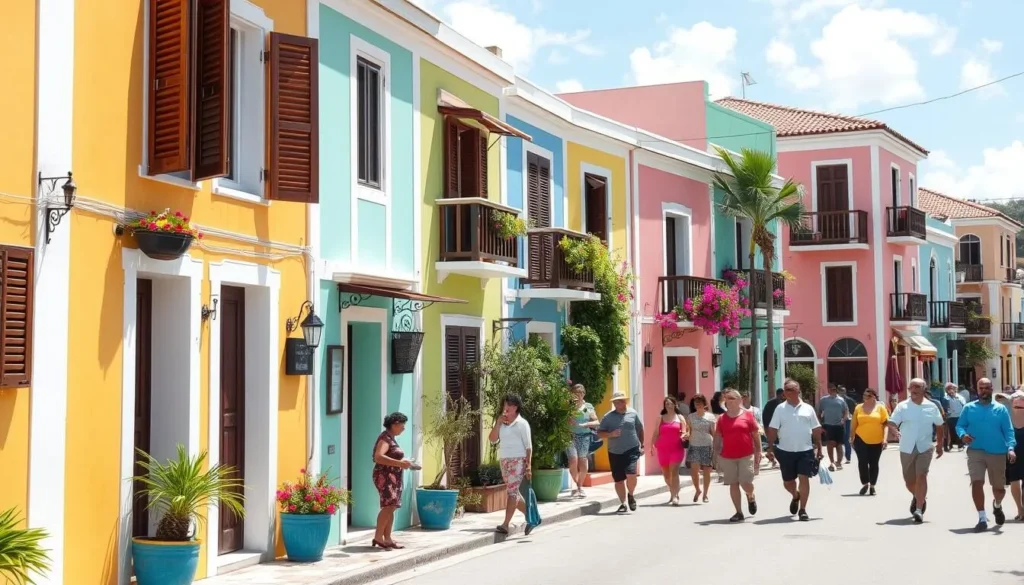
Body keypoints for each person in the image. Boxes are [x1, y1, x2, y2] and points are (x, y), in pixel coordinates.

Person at [955, 377, 1017, 531]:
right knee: (977, 482)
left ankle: (997, 505)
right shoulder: (969, 408)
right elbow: (960, 426)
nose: (984, 391)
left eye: (987, 388)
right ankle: (982, 517)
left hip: (997, 452)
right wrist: (963, 435)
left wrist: (1010, 448)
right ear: (977, 390)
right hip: (975, 450)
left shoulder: (1001, 409)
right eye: (981, 388)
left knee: (999, 490)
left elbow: (1008, 430)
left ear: (991, 389)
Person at [887, 378, 945, 524]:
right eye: (911, 387)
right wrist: (894, 431)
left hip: (925, 447)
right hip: (906, 447)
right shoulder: (902, 406)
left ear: (924, 389)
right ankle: (919, 496)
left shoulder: (932, 406)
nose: (913, 389)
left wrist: (940, 444)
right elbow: (892, 422)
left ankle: (919, 509)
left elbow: (939, 425)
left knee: (922, 475)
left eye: (917, 387)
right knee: (909, 481)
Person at [766, 378, 823, 521]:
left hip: (805, 450)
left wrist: (819, 447)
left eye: (790, 389)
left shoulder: (808, 408)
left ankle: (803, 510)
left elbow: (816, 429)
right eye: (785, 390)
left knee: (804, 478)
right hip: (785, 451)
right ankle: (795, 495)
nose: (787, 392)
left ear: (798, 391)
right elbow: (773, 429)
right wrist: (770, 448)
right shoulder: (780, 409)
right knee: (788, 482)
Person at [489, 395, 538, 535]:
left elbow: (528, 447)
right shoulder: (502, 423)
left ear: (516, 407)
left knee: (512, 493)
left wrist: (528, 466)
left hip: (518, 461)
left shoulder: (522, 424)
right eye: (505, 405)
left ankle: (505, 524)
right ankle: (532, 517)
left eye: (509, 405)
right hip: (504, 461)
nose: (506, 408)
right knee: (514, 493)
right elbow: (492, 439)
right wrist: (498, 423)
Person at [715, 389, 761, 522]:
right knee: (733, 483)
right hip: (728, 456)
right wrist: (715, 454)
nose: (728, 401)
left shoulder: (748, 416)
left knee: (746, 482)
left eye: (731, 398)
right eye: (726, 398)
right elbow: (718, 437)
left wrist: (758, 451)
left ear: (739, 400)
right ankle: (738, 512)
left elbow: (755, 434)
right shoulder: (722, 418)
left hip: (746, 455)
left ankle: (750, 495)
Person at [372, 412, 415, 550]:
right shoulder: (385, 439)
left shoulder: (391, 438)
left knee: (391, 506)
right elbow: (378, 457)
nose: (403, 428)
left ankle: (388, 538)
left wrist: (404, 463)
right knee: (388, 506)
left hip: (392, 476)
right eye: (402, 425)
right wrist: (400, 463)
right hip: (385, 476)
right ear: (394, 424)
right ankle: (378, 537)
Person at [597, 391, 645, 514]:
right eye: (615, 402)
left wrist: (643, 445)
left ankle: (631, 494)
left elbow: (640, 429)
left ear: (625, 401)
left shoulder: (633, 413)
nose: (617, 403)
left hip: (632, 449)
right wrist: (610, 434)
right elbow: (599, 433)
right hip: (615, 451)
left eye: (620, 401)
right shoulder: (608, 417)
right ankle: (623, 503)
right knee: (618, 479)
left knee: (631, 474)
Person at [850, 388, 888, 496]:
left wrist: (885, 439)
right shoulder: (858, 407)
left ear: (873, 397)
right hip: (860, 438)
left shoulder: (880, 408)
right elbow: (853, 424)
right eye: (864, 395)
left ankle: (872, 485)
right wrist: (851, 438)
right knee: (862, 462)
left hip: (877, 440)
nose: (865, 397)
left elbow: (885, 424)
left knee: (874, 463)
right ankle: (865, 483)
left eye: (868, 396)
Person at [651, 395, 688, 505]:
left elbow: (684, 431)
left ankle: (675, 496)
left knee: (674, 471)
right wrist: (651, 446)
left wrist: (683, 435)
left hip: (676, 448)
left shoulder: (680, 418)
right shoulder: (660, 418)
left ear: (675, 404)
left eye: (670, 403)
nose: (668, 405)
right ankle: (673, 491)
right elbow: (656, 433)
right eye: (666, 403)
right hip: (662, 448)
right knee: (666, 475)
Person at [566, 384, 598, 498]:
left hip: (584, 436)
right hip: (569, 436)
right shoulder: (568, 406)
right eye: (576, 393)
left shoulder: (588, 407)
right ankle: (576, 485)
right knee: (573, 460)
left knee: (582, 461)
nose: (578, 395)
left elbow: (596, 422)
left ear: (584, 394)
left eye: (580, 393)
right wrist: (566, 420)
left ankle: (579, 486)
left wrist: (585, 424)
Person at [685, 395, 716, 503]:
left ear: (704, 404)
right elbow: (688, 430)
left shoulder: (710, 417)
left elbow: (713, 432)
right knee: (694, 471)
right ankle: (698, 490)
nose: (698, 404)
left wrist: (717, 446)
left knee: (707, 471)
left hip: (707, 445)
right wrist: (686, 434)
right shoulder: (690, 417)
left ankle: (705, 494)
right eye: (696, 402)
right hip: (694, 445)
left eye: (700, 402)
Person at [817, 384, 850, 471]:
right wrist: (820, 423)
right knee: (830, 443)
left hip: (839, 425)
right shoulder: (823, 400)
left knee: (839, 444)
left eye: (834, 389)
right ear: (828, 390)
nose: (833, 391)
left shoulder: (841, 400)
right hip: (828, 425)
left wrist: (843, 419)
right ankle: (832, 462)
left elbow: (846, 411)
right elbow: (819, 411)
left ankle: (838, 462)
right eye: (831, 389)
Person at [1008, 391, 1024, 521]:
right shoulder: (1006, 417)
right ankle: (1020, 509)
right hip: (1011, 452)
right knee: (1014, 481)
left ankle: (1021, 510)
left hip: (1014, 452)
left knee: (1016, 481)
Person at [763, 388, 784, 469]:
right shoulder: (772, 403)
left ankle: (772, 458)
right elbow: (765, 415)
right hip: (772, 427)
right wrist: (766, 428)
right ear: (779, 394)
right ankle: (773, 458)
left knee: (776, 444)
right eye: (782, 394)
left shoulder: (782, 403)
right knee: (773, 444)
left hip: (778, 427)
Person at [944, 382, 967, 452]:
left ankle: (960, 444)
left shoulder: (960, 397)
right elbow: (944, 407)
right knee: (951, 431)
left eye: (952, 389)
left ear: (955, 389)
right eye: (948, 389)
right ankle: (950, 444)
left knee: (959, 431)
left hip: (959, 416)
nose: (950, 390)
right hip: (950, 417)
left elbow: (964, 406)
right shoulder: (945, 398)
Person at [839, 386, 856, 465]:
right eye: (841, 391)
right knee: (839, 440)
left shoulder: (849, 400)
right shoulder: (836, 400)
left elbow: (854, 411)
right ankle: (840, 458)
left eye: (843, 391)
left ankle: (848, 457)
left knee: (846, 439)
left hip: (847, 421)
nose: (842, 393)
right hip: (838, 421)